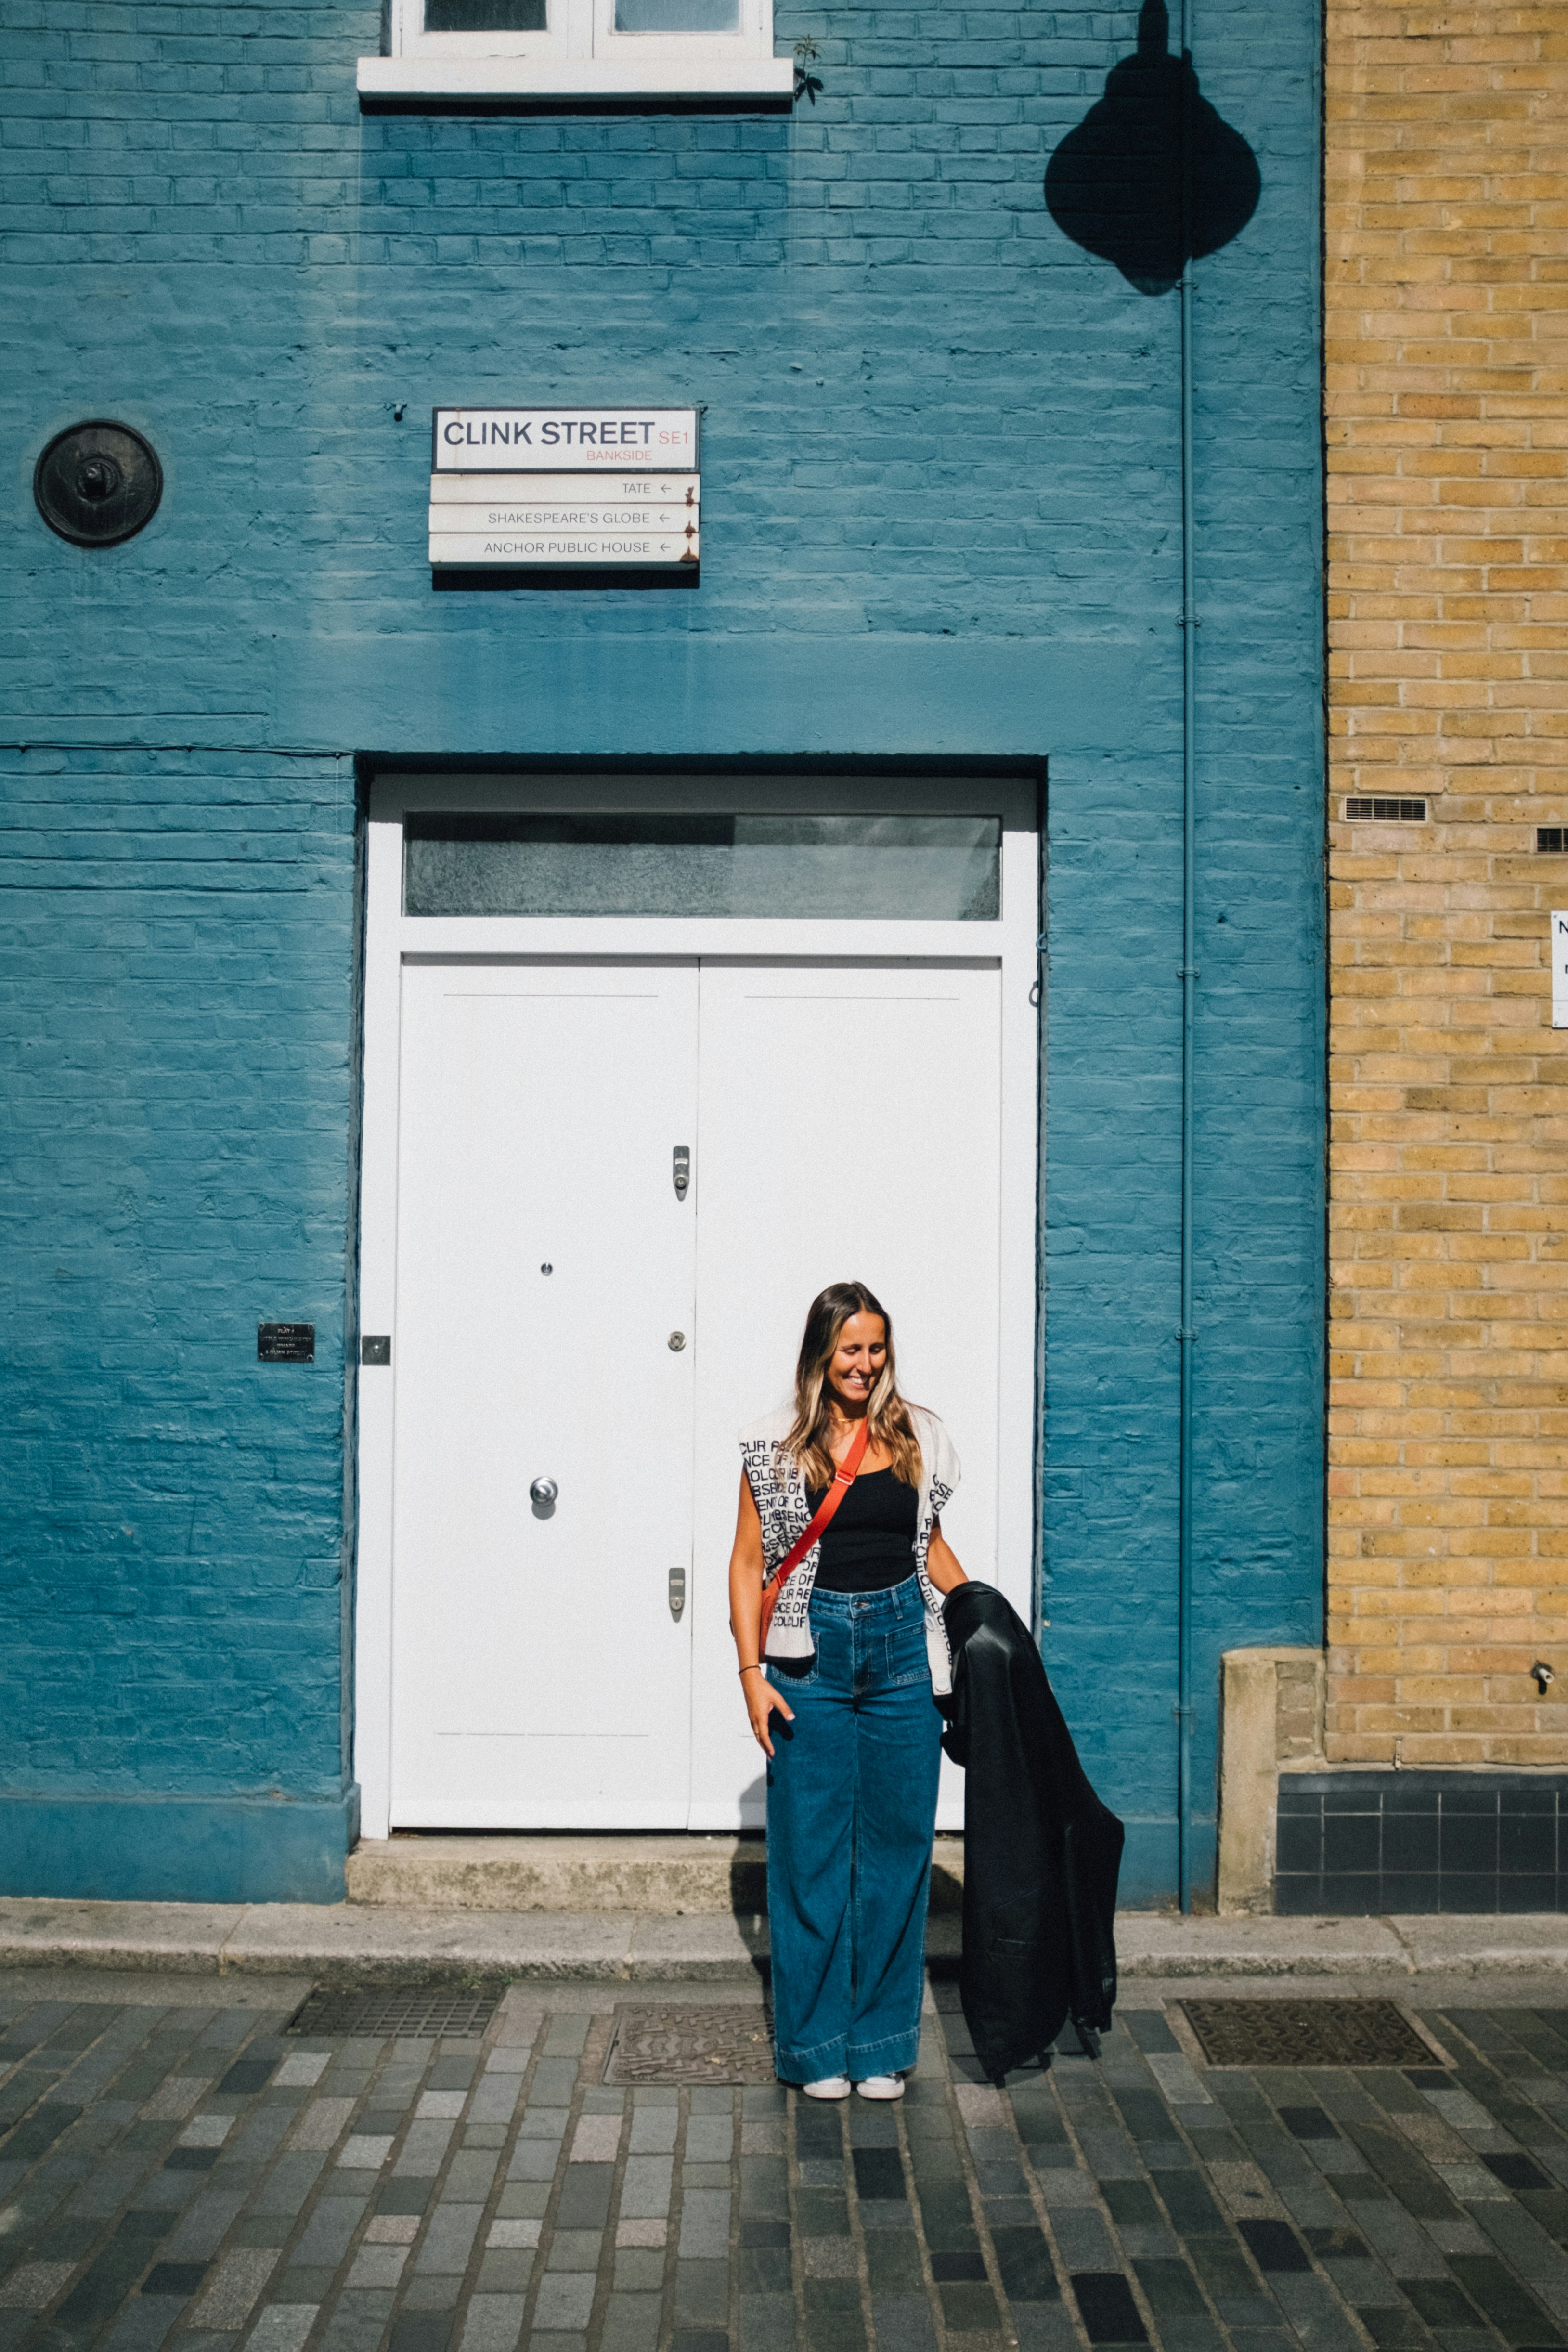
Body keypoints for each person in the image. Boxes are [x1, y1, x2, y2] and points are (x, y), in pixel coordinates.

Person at [728, 1281, 968, 2101]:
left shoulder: (917, 1436)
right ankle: (814, 2044)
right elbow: (745, 1561)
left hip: (903, 1650)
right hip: (810, 1660)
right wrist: (751, 1674)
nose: (864, 1365)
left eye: (875, 1349)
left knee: (898, 1852)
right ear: (821, 1354)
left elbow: (930, 1549)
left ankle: (880, 2043)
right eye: (850, 1350)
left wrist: (981, 1627)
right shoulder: (775, 1442)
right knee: (812, 1858)